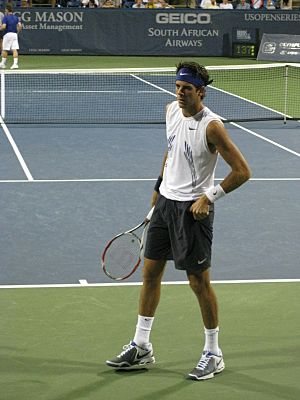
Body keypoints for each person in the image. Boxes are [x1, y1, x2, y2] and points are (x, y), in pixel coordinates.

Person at [105, 62, 251, 381]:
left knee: (198, 283)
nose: (180, 93)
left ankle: (213, 352)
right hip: (166, 204)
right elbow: (171, 151)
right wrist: (159, 188)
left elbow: (242, 171)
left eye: (187, 88)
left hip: (192, 212)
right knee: (150, 273)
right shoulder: (171, 110)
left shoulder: (212, 126)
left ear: (201, 91)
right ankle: (142, 345)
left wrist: (208, 198)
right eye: (177, 87)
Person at [0, 3, 22, 70]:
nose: (5, 11)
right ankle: (15, 64)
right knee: (14, 49)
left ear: (7, 10)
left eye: (5, 10)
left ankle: (3, 64)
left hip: (8, 34)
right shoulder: (16, 17)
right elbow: (20, 26)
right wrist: (17, 32)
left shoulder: (5, 17)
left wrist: (0, 28)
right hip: (14, 34)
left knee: (5, 49)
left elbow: (3, 26)